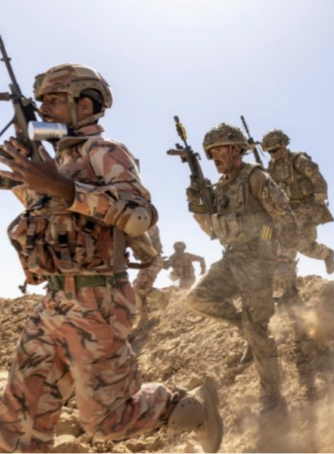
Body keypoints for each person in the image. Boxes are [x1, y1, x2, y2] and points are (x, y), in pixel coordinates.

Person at [0, 63, 222, 453]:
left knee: (107, 422)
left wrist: (63, 187)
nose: (43, 111)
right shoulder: (57, 161)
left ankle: (189, 406)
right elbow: (45, 214)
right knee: (15, 420)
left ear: (84, 104)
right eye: (40, 103)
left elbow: (140, 215)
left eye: (53, 100)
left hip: (97, 300)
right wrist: (24, 174)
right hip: (53, 300)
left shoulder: (104, 152)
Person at [185, 123, 298, 412]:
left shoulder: (256, 178)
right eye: (209, 153)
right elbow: (214, 231)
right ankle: (242, 325)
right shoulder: (221, 186)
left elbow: (286, 218)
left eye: (218, 150)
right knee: (197, 298)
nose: (213, 158)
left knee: (258, 331)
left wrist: (285, 260)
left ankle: (272, 399)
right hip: (233, 259)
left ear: (236, 149)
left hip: (261, 261)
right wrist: (198, 204)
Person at [261, 129, 334, 303]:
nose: (272, 154)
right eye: (269, 152)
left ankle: (287, 293)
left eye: (275, 150)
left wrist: (319, 202)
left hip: (307, 209)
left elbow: (319, 180)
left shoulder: (299, 161)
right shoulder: (272, 166)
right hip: (287, 212)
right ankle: (327, 254)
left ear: (283, 145)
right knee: (304, 247)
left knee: (287, 245)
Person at [132, 224, 166, 323]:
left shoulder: (145, 223)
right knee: (137, 287)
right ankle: (144, 318)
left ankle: (162, 296)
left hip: (152, 260)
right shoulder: (143, 221)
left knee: (140, 288)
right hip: (149, 260)